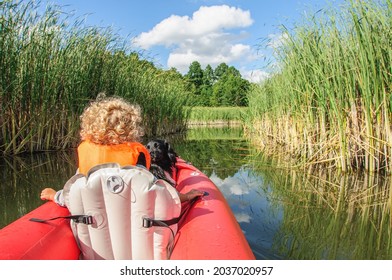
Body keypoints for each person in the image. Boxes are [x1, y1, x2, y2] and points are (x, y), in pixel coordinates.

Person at [40, 95, 204, 205]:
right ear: (131, 129)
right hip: (134, 229)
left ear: (90, 126)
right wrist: (185, 196)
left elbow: (72, 194)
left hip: (93, 232)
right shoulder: (136, 159)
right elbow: (156, 192)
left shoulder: (86, 158)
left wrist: (55, 196)